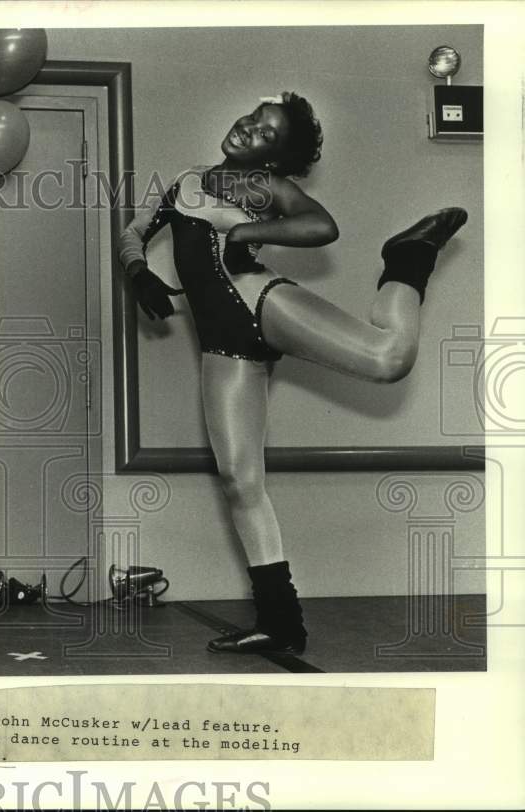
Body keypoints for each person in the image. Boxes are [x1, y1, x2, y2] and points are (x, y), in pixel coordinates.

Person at [118, 91, 467, 655]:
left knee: (389, 359)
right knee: (241, 482)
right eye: (253, 119)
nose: (249, 129)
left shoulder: (264, 188)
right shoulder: (185, 180)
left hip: (260, 302)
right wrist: (138, 273)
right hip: (223, 347)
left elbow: (320, 225)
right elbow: (136, 230)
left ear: (273, 160)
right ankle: (282, 624)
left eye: (266, 135)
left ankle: (406, 262)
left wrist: (246, 233)